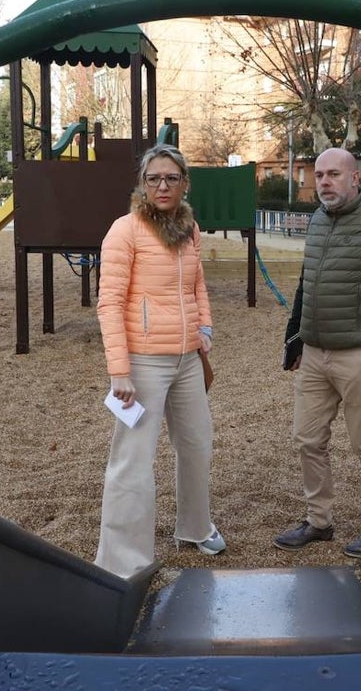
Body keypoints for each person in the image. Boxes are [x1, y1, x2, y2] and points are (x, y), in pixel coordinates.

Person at [274, 147, 361, 557]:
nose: (324, 182)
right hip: (316, 354)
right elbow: (307, 284)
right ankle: (319, 521)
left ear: (356, 178)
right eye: (318, 175)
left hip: (358, 355)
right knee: (307, 439)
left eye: (333, 174)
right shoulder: (318, 220)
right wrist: (293, 340)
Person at [94, 143, 225, 578]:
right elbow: (109, 304)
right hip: (145, 362)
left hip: (187, 358)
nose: (163, 186)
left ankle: (194, 526)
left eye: (171, 178)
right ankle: (124, 557)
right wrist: (120, 370)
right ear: (142, 184)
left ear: (184, 183)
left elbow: (197, 285)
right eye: (154, 179)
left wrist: (204, 327)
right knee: (133, 457)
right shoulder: (125, 231)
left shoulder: (189, 228)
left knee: (196, 444)